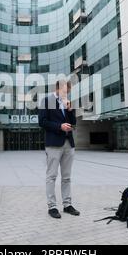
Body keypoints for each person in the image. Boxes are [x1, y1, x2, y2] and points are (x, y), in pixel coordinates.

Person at [38, 80, 79, 219]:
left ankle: (67, 205)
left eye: (68, 91)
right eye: (64, 91)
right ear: (57, 88)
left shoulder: (68, 102)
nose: (66, 93)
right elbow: (42, 122)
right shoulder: (47, 100)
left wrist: (70, 110)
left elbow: (74, 123)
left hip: (68, 143)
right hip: (54, 144)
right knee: (51, 176)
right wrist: (59, 126)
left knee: (66, 177)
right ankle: (52, 206)